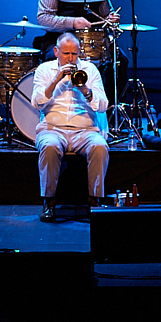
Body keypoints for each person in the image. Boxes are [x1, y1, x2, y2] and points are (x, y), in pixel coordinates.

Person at [32, 32, 110, 222]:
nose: (70, 58)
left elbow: (103, 105)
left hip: (84, 130)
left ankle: (94, 200)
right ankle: (49, 203)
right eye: (66, 54)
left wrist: (86, 91)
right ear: (56, 51)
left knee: (100, 147)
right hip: (53, 128)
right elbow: (37, 102)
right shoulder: (44, 70)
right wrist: (57, 79)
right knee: (49, 146)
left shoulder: (90, 70)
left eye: (74, 54)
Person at [36, 0, 126, 96]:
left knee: (121, 60)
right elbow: (43, 18)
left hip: (92, 43)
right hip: (59, 39)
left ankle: (109, 109)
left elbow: (106, 14)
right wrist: (72, 22)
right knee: (52, 58)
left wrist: (111, 19)